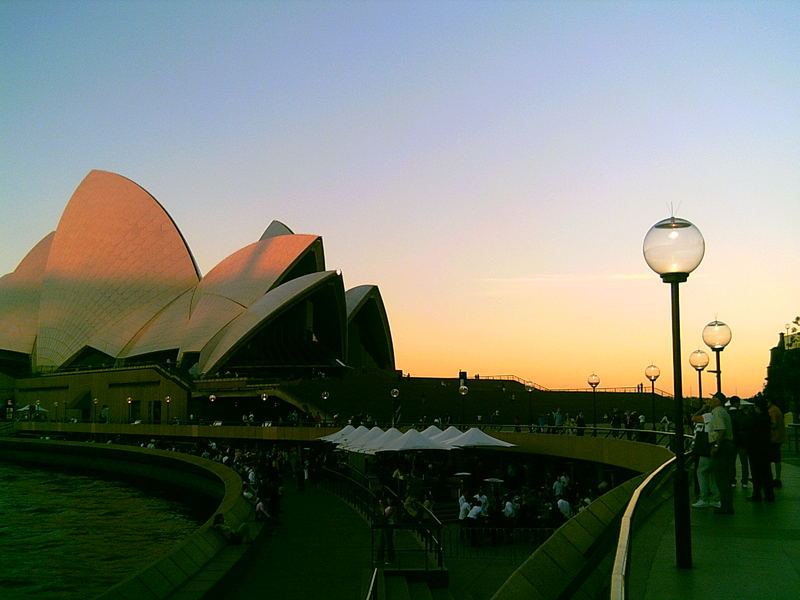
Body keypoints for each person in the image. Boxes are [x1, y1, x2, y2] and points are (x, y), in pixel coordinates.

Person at [709, 393, 735, 514]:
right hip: (728, 445)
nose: (711, 400)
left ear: (718, 400)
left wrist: (716, 446)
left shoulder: (717, 412)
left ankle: (725, 507)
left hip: (722, 446)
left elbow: (721, 430)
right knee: (726, 477)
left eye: (713, 398)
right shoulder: (723, 411)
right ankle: (727, 504)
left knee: (721, 478)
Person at [691, 403, 720, 509]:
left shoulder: (708, 416)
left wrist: (701, 409)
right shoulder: (718, 415)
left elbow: (693, 418)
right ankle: (717, 498)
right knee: (712, 474)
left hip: (706, 447)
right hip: (714, 445)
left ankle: (704, 498)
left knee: (701, 472)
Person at [746, 397, 775, 502]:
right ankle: (769, 494)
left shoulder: (756, 419)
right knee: (766, 472)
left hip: (755, 449)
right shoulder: (766, 417)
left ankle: (757, 494)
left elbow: (751, 432)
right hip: (765, 448)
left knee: (756, 473)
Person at [728, 395, 753, 488]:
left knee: (731, 463)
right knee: (744, 463)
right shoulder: (741, 414)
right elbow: (748, 423)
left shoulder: (727, 414)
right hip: (742, 441)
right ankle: (744, 481)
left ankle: (732, 480)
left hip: (731, 441)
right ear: (737, 403)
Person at [767, 396, 786, 487]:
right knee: (777, 459)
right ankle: (777, 478)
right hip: (779, 437)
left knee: (772, 458)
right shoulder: (776, 409)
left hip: (774, 438)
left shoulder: (772, 411)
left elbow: (773, 424)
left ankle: (774, 478)